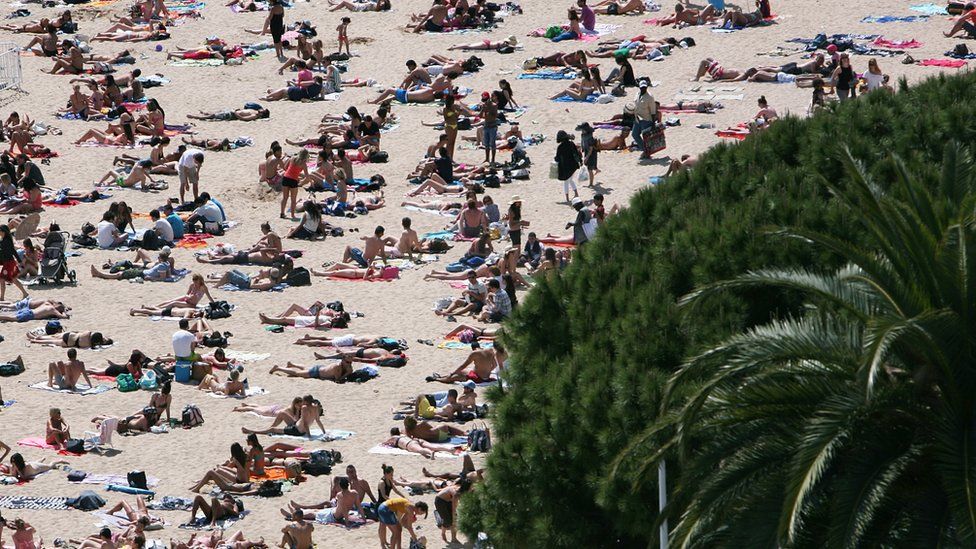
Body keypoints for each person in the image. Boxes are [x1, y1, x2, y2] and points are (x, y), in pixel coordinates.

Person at [428, 341, 505, 383]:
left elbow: (463, 366)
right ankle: (441, 376)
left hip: (478, 378)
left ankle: (436, 379)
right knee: (462, 371)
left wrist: (452, 373)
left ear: (472, 348)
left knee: (454, 377)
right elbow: (494, 365)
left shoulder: (474, 353)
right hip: (486, 376)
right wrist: (488, 371)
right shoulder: (490, 351)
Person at [434, 480, 470, 544]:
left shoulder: (460, 487)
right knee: (449, 521)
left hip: (448, 500)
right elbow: (454, 509)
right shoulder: (455, 493)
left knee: (454, 520)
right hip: (440, 501)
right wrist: (454, 519)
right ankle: (443, 533)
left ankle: (454, 539)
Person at [280, 149, 309, 219]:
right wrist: (301, 181)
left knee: (285, 198)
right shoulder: (304, 164)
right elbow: (307, 176)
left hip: (286, 177)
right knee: (293, 199)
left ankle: (282, 213)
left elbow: (285, 167)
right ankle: (292, 215)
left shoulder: (293, 158)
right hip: (293, 180)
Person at [554, 130, 582, 202]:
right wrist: (580, 162)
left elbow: (557, 158)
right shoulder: (571, 144)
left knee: (566, 181)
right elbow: (576, 153)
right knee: (570, 180)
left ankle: (567, 198)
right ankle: (576, 193)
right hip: (573, 166)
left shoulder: (560, 147)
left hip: (565, 167)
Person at [0, 225, 26, 301]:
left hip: (9, 263)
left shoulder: (6, 241)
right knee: (14, 279)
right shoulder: (4, 240)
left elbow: (13, 252)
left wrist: (20, 261)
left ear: (3, 231)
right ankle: (25, 293)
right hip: (9, 263)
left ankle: (2, 298)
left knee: (2, 279)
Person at [632, 80, 657, 155]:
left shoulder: (650, 97)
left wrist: (653, 123)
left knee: (646, 137)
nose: (643, 89)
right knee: (635, 135)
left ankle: (647, 152)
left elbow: (653, 111)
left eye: (645, 87)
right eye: (642, 87)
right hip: (637, 119)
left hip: (646, 120)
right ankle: (645, 150)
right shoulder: (637, 94)